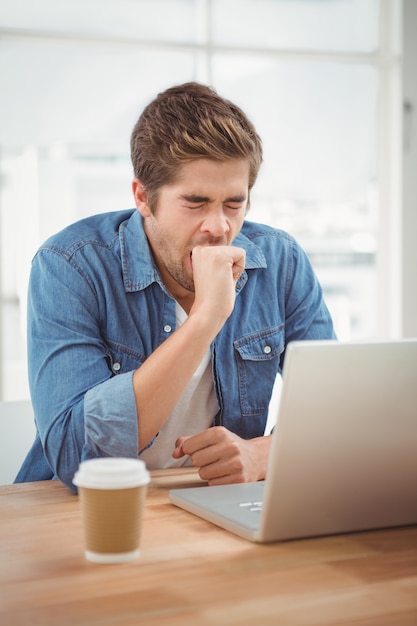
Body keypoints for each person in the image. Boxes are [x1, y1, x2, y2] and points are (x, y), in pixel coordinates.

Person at [16, 82, 336, 492]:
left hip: (215, 504)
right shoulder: (69, 266)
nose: (219, 227)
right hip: (86, 512)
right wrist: (206, 318)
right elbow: (76, 458)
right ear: (143, 197)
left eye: (234, 203)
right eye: (196, 202)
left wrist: (264, 454)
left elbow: (334, 414)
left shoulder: (282, 261)